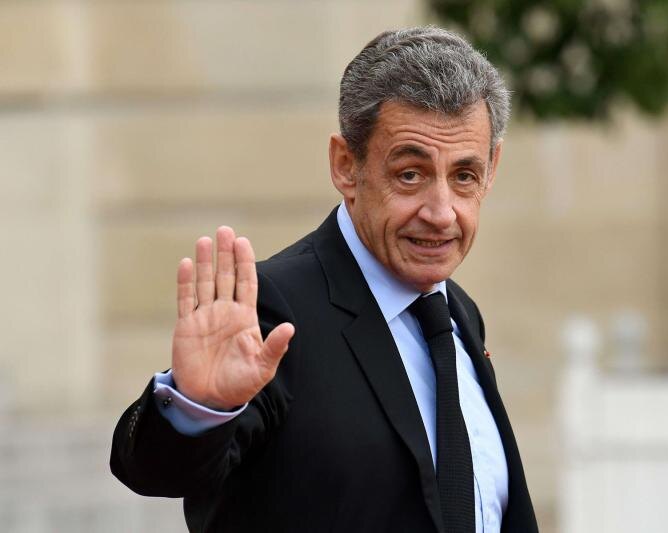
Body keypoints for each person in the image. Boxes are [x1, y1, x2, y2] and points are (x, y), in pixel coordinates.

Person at [110, 26, 538, 533]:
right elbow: (155, 471)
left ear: (492, 169)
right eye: (410, 174)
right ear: (345, 166)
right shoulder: (272, 310)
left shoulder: (457, 313)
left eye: (464, 176)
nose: (441, 212)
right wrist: (199, 406)